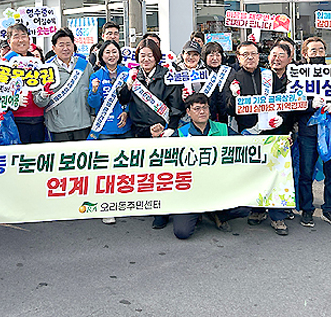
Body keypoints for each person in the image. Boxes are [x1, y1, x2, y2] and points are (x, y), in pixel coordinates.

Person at [150, 93, 250, 238]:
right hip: (191, 191)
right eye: (197, 109)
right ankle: (199, 213)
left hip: (218, 186)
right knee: (182, 232)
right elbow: (164, 155)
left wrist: (272, 140)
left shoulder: (223, 129)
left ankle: (216, 214)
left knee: (245, 208)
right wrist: (158, 138)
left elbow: (247, 145)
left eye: (205, 107)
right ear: (188, 112)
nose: (202, 112)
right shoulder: (181, 133)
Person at [223, 41, 289, 234]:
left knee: (276, 174)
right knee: (255, 173)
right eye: (245, 54)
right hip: (249, 133)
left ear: (259, 56)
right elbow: (227, 108)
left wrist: (282, 119)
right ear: (238, 58)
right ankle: (257, 210)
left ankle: (278, 216)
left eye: (253, 53)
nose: (250, 57)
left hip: (274, 132)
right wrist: (234, 97)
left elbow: (284, 100)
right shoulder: (234, 78)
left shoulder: (269, 75)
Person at [118, 39, 183, 230]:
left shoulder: (167, 76)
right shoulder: (133, 75)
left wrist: (170, 127)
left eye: (150, 55)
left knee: (163, 172)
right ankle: (150, 204)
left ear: (157, 57)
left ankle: (162, 212)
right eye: (142, 56)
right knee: (145, 171)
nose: (146, 59)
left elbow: (176, 104)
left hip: (162, 131)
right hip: (139, 130)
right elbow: (122, 99)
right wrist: (129, 83)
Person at [295, 37, 331, 229]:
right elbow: (292, 103)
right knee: (306, 173)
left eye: (321, 50)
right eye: (313, 51)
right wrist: (310, 104)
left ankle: (330, 209)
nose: (318, 54)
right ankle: (307, 209)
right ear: (305, 53)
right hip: (308, 131)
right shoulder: (298, 75)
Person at [87, 40, 132, 225]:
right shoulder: (96, 75)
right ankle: (107, 206)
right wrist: (94, 90)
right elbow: (93, 104)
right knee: (108, 169)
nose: (111, 55)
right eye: (107, 52)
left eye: (114, 51)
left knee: (126, 166)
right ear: (102, 56)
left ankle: (124, 202)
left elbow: (134, 98)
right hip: (105, 128)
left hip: (125, 127)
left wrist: (127, 111)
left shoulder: (127, 73)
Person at [34, 29, 93, 141]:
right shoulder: (47, 68)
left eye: (68, 44)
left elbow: (93, 93)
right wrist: (43, 95)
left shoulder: (85, 66)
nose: (65, 48)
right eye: (61, 45)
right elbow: (39, 101)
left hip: (83, 124)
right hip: (58, 127)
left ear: (73, 46)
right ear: (54, 48)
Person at [1, 24, 46, 144]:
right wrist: (12, 99)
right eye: (16, 37)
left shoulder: (37, 62)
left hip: (39, 118)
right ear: (9, 41)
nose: (21, 40)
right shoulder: (3, 63)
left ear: (29, 39)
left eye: (23, 36)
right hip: (15, 119)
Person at [201, 41, 230, 124]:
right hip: (206, 116)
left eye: (218, 55)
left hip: (225, 116)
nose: (215, 58)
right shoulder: (200, 73)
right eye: (211, 55)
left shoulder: (229, 72)